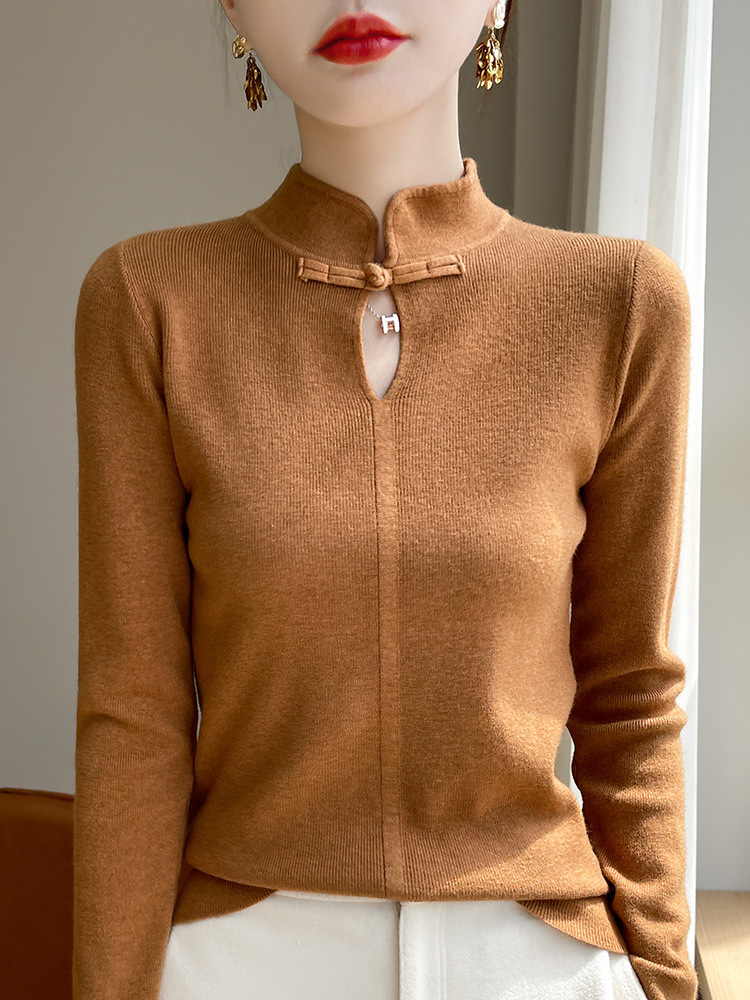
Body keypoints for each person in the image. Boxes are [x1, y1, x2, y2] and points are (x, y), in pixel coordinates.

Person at [72, 2, 699, 999]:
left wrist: (664, 978)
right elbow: (133, 713)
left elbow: (631, 696)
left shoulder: (621, 305)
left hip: (541, 959)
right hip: (238, 960)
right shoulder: (150, 301)